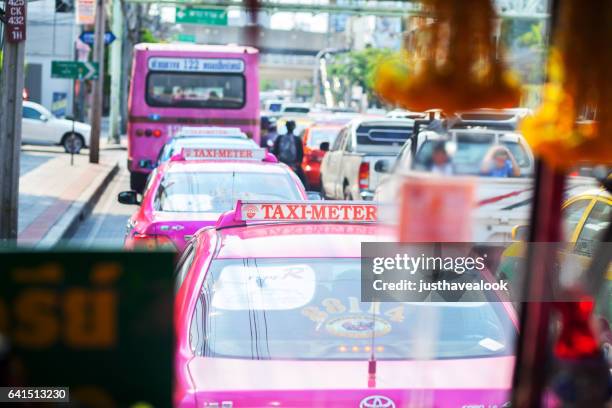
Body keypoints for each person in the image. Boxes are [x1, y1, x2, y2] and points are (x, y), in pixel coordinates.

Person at [273, 120, 307, 187]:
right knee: (303, 183)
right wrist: (297, 164)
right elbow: (301, 154)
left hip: (281, 164)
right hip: (293, 165)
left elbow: (275, 151)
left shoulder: (280, 138)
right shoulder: (297, 139)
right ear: (294, 127)